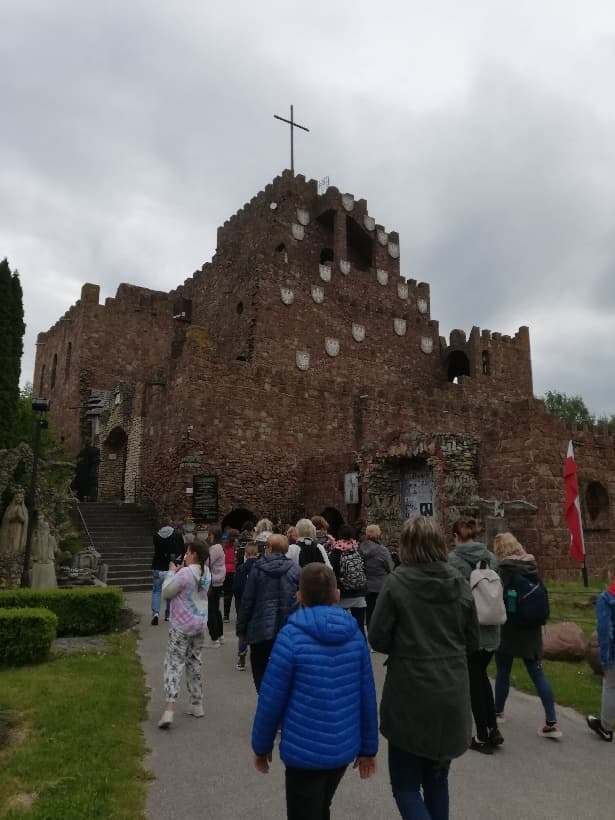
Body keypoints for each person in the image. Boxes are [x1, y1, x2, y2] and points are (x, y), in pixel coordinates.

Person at [369, 516, 479, 820]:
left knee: (405, 785)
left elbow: (377, 636)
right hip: (451, 688)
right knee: (437, 780)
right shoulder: (458, 581)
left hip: (410, 691)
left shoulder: (397, 582)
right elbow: (472, 639)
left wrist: (406, 646)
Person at [252, 563, 378, 820]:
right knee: (320, 807)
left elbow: (271, 699)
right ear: (337, 595)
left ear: (299, 596)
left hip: (302, 751)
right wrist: (368, 748)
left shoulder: (290, 637)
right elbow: (367, 694)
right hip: (341, 747)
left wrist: (261, 745)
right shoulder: (355, 636)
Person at [493, 532, 562, 739]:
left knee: (503, 671)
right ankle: (551, 722)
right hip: (532, 629)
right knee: (537, 673)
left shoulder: (504, 570)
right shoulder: (531, 565)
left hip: (509, 628)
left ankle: (498, 712)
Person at [449, 516, 503, 754]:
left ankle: (481, 734)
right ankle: (493, 729)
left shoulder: (454, 560)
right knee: (481, 679)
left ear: (455, 536)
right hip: (492, 628)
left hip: (468, 631)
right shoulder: (491, 557)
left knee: (474, 682)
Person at [158, 539, 211, 729]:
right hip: (199, 624)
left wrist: (172, 572)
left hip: (181, 625)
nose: (185, 556)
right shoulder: (206, 572)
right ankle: (197, 704)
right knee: (194, 662)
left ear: (194, 554)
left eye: (188, 552)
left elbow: (166, 592)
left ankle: (169, 708)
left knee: (174, 663)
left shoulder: (184, 573)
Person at [236, 534, 300, 691]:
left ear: (269, 548)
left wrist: (242, 629)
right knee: (285, 670)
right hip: (287, 627)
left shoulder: (257, 569)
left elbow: (248, 600)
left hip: (260, 627)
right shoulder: (295, 570)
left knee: (260, 668)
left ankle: (264, 696)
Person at [587, 555, 615, 741]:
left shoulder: (605, 599)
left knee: (610, 686)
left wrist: (604, 658)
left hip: (613, 651)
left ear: (611, 575)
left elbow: (604, 630)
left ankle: (605, 726)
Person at [329, 524, 367, 634]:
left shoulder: (336, 551)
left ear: (339, 535)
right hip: (359, 594)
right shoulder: (357, 549)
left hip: (342, 595)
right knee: (360, 627)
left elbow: (330, 570)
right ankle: (362, 644)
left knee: (340, 628)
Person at [359, 523, 394, 629]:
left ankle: (369, 629)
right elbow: (390, 567)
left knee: (369, 610)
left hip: (367, 584)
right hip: (381, 585)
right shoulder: (382, 550)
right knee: (382, 612)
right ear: (378, 534)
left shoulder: (360, 548)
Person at [151, 519, 184, 625]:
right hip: (171, 566)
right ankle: (168, 614)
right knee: (170, 591)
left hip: (158, 566)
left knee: (156, 591)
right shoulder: (176, 534)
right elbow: (182, 550)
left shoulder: (156, 535)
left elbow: (157, 549)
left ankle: (156, 613)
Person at [233, 542, 259, 670]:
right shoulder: (261, 568)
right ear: (257, 554)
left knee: (243, 632)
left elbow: (236, 588)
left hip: (243, 604)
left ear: (246, 554)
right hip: (258, 604)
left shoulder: (241, 569)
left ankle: (241, 657)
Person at [205, 526, 226, 647]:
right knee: (216, 610)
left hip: (212, 581)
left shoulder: (215, 548)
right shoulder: (219, 547)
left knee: (210, 611)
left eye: (210, 535)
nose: (209, 537)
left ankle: (214, 638)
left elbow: (207, 562)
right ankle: (220, 635)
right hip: (217, 581)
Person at [223, 528, 239, 621]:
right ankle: (239, 615)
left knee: (227, 594)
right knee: (237, 595)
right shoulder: (237, 546)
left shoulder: (224, 546)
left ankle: (226, 615)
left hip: (226, 571)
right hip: (235, 571)